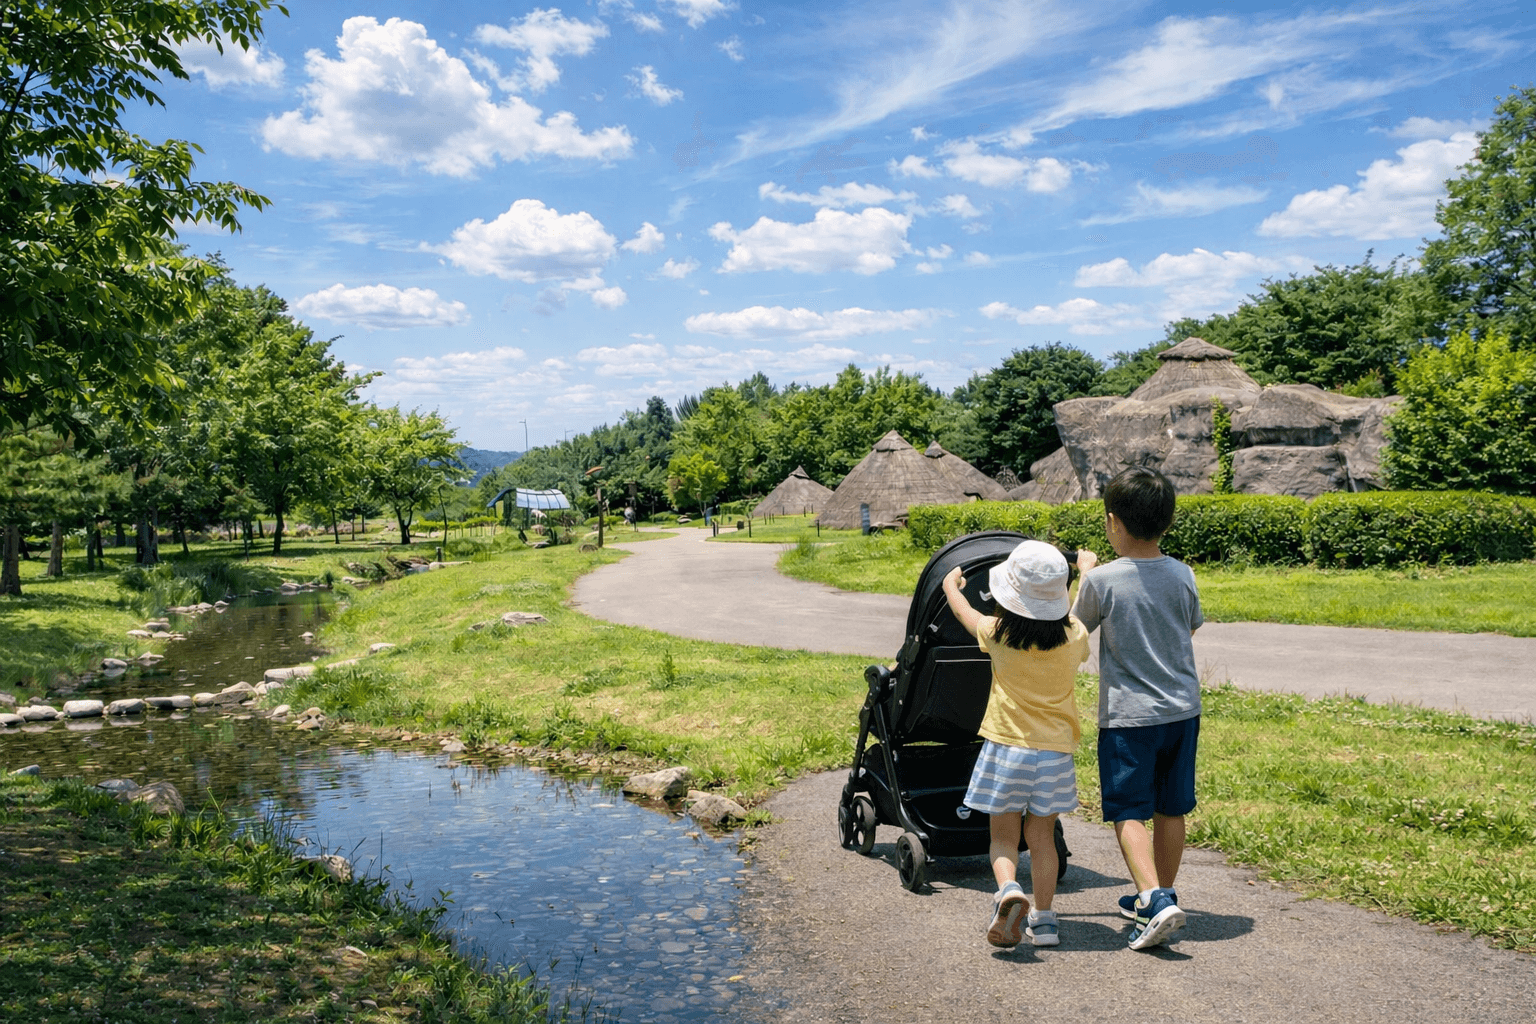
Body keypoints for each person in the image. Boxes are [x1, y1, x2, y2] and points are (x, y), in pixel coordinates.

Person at [1071, 466, 1203, 951]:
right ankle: (1162, 894)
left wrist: (1084, 575)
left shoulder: (1102, 579)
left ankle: (1152, 898)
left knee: (1128, 810)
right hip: (1183, 711)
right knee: (1171, 807)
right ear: (1166, 522)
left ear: (1113, 523)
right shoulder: (1182, 573)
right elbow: (1189, 627)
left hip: (1129, 717)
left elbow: (1073, 630)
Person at [942, 540, 1090, 949]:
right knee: (1042, 837)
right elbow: (1076, 614)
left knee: (1004, 837)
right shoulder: (1073, 636)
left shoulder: (996, 633)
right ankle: (1044, 922)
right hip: (1055, 753)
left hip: (1006, 749)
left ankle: (1008, 889)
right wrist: (1087, 571)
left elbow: (964, 613)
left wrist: (951, 584)